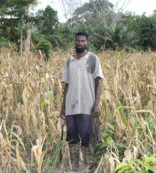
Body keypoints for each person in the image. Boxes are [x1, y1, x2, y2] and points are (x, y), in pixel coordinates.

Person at [60, 31, 104, 172]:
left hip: (87, 105)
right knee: (72, 137)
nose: (80, 43)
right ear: (75, 42)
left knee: (87, 137)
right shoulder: (69, 61)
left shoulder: (93, 59)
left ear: (87, 42)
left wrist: (96, 105)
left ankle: (89, 166)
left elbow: (98, 83)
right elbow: (66, 85)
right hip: (71, 106)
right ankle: (74, 166)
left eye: (83, 41)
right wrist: (63, 107)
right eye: (78, 41)